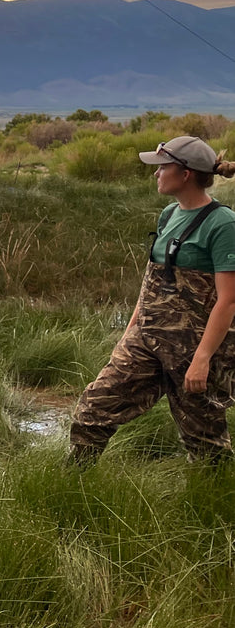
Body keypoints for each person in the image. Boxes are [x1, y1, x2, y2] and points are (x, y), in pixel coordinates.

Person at [69, 136, 235, 465]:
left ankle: (212, 503)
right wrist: (129, 335)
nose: (156, 174)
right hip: (147, 337)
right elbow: (153, 282)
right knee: (94, 408)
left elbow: (229, 301)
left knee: (204, 440)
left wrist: (202, 359)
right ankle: (71, 489)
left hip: (193, 347)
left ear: (185, 173)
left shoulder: (223, 224)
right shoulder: (169, 214)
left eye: (162, 167)